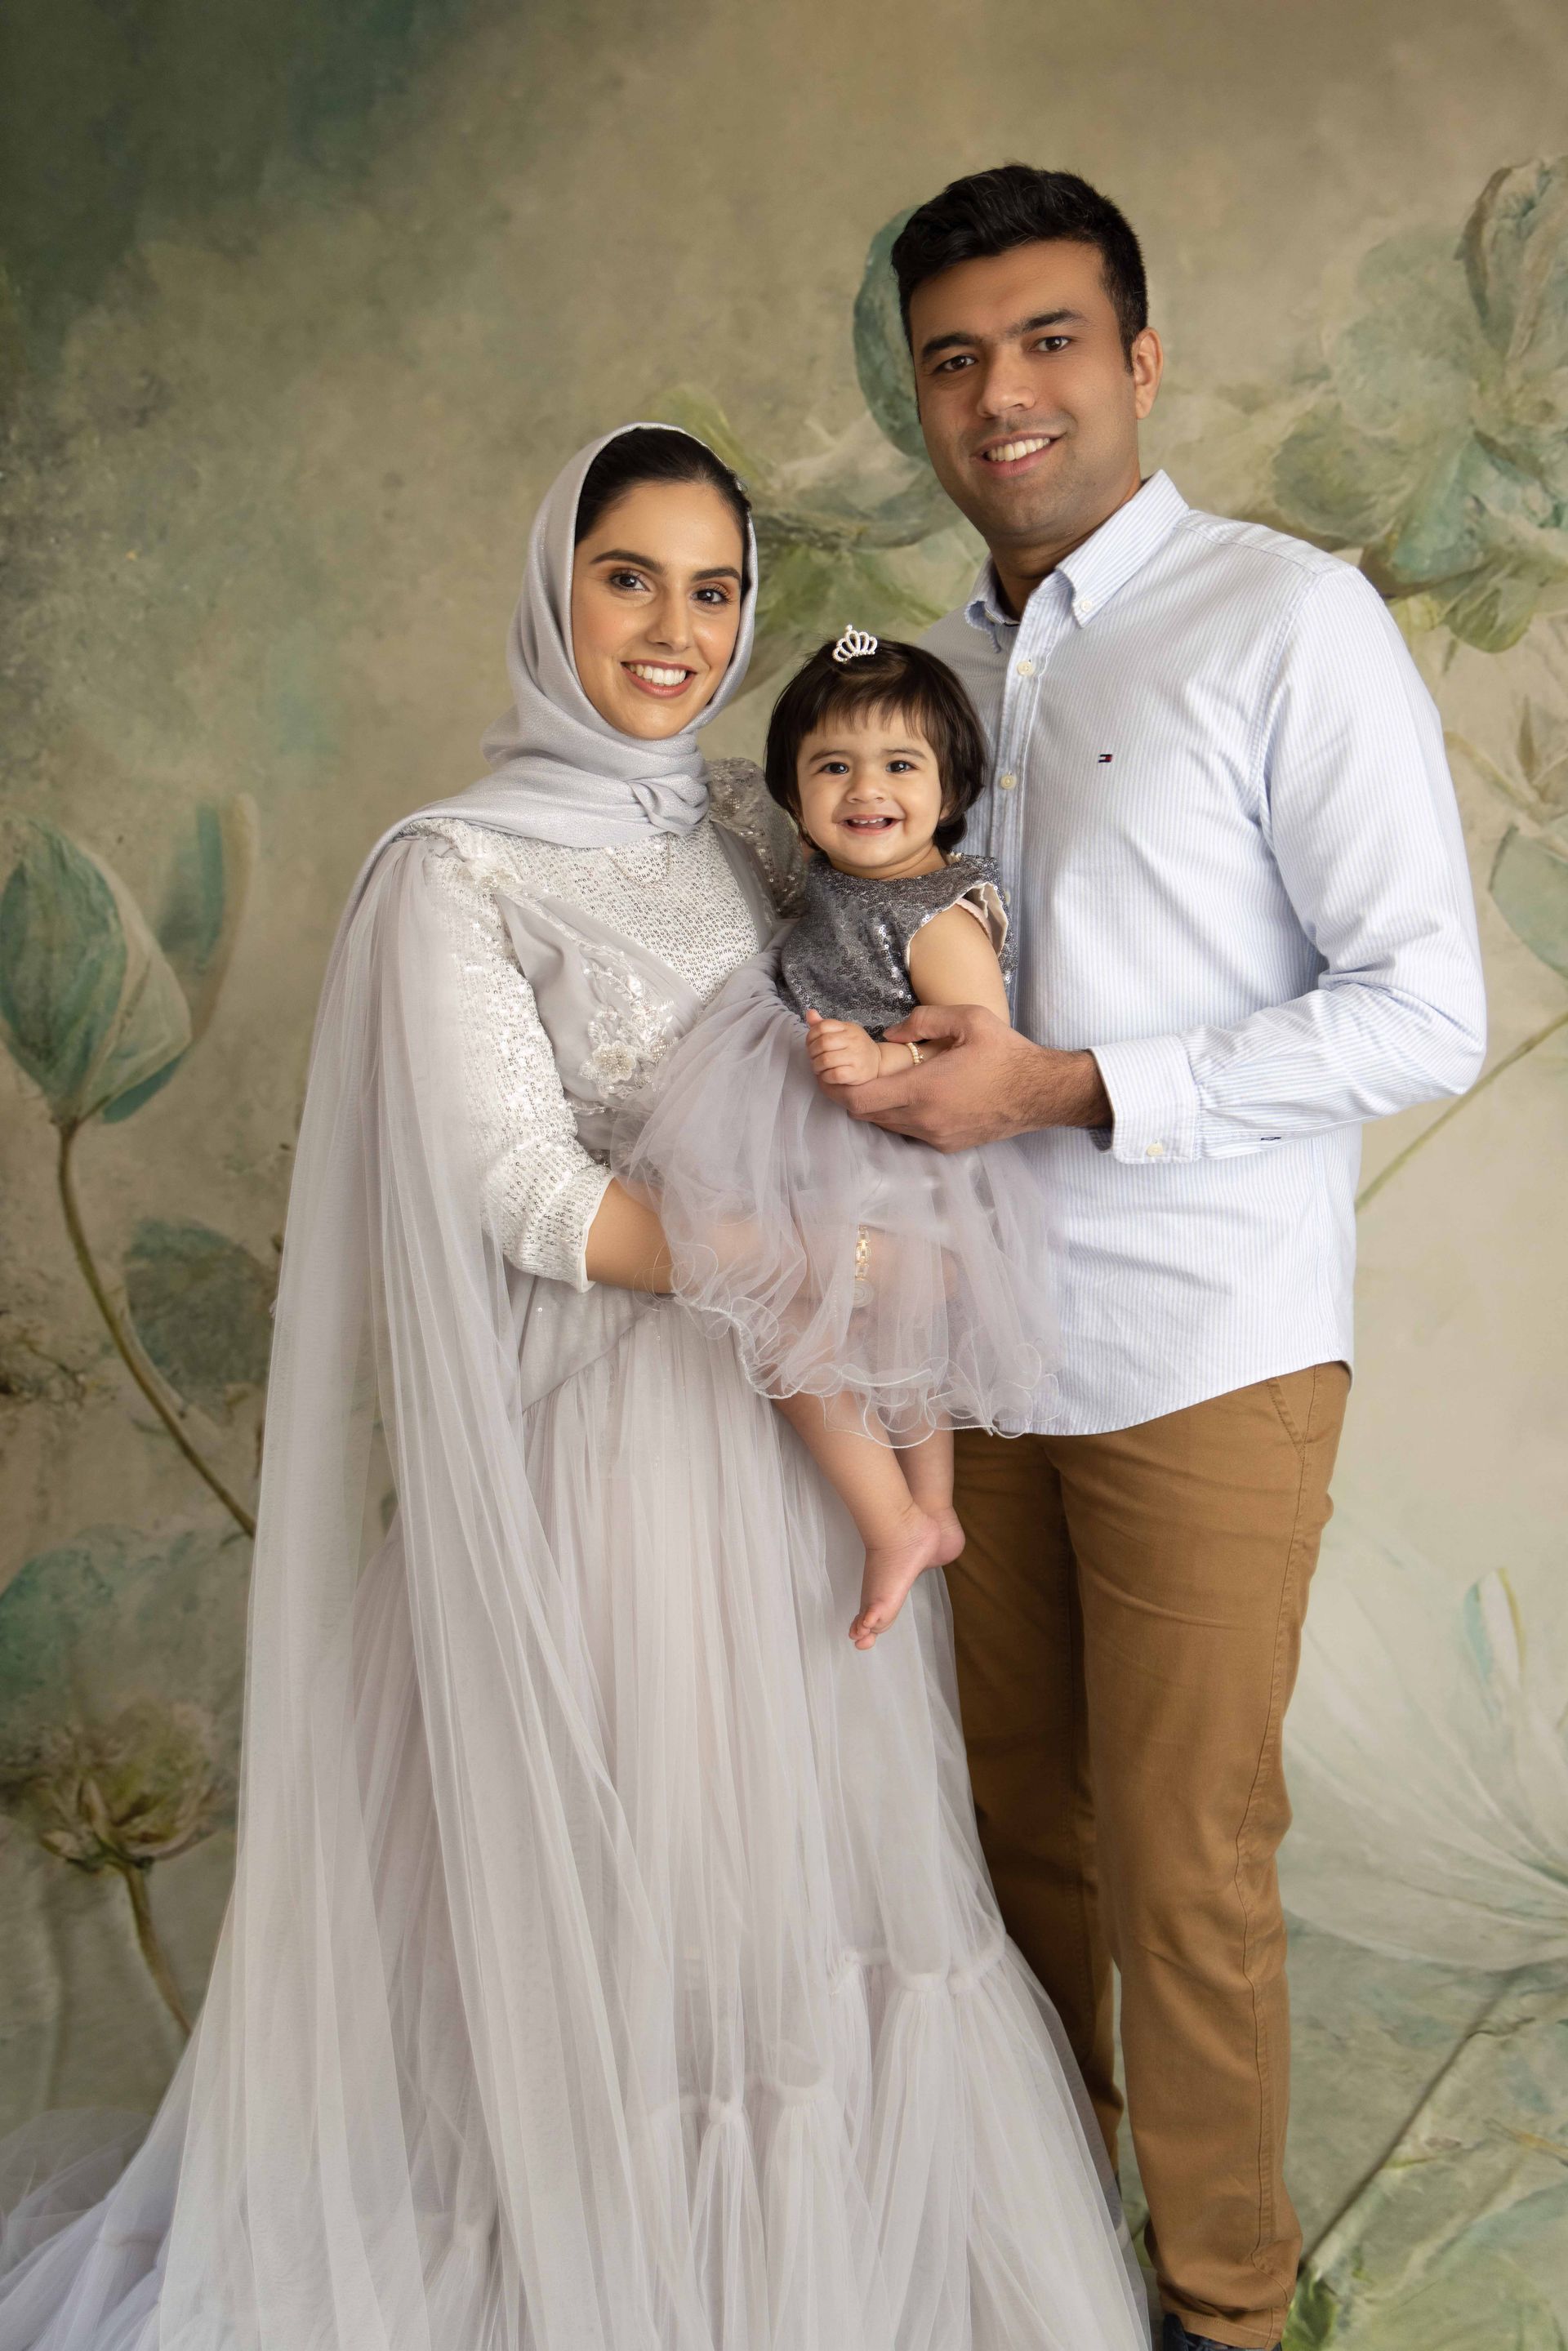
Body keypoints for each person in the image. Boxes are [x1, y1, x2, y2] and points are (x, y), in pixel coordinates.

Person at [0, 424, 1150, 2351]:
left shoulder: (748, 817)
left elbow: (887, 970)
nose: (675, 630)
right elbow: (524, 1197)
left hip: (799, 1460)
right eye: (632, 576)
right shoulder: (448, 872)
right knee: (635, 1951)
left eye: (715, 590)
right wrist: (828, 1261)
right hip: (612, 1473)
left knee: (821, 1925)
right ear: (555, 582)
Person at [830, 167, 1488, 2351]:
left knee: (1189, 1861)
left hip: (1206, 1347)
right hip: (980, 1365)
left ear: (1138, 358)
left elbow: (1425, 1007)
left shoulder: (1285, 619)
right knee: (1014, 1848)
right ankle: (1034, 2272)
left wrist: (1079, 1086)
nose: (1000, 393)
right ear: (922, 395)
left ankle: (1222, 2304)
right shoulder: (948, 678)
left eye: (1043, 341)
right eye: (954, 355)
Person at [622, 627, 1061, 1653]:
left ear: (950, 787)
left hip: (901, 1154)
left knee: (790, 1324)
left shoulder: (937, 916)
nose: (868, 789)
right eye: (833, 766)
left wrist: (886, 1065)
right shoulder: (842, 877)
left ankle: (896, 1518)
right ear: (796, 793)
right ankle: (934, 1509)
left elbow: (980, 1052)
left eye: (900, 765)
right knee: (884, 1341)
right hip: (840, 1134)